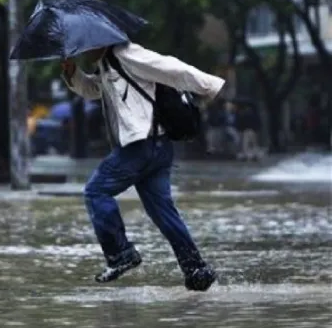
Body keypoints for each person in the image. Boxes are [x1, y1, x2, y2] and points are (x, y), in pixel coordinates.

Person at [61, 43, 225, 291]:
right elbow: (94, 90)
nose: (83, 52)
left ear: (101, 41)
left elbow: (170, 67)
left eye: (85, 48)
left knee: (96, 191)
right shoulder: (106, 65)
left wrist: (209, 85)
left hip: (141, 146)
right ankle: (196, 269)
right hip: (156, 148)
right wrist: (73, 72)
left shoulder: (127, 54)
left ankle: (120, 253)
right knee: (163, 213)